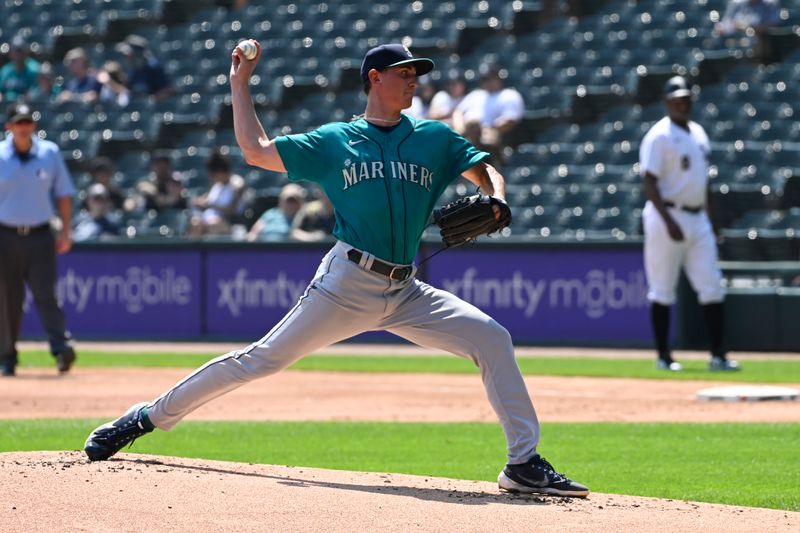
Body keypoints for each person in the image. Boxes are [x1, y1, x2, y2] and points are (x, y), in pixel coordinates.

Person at [83, 42, 589, 499]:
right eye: (403, 72)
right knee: (259, 360)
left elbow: (483, 167)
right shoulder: (335, 140)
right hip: (346, 283)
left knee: (492, 338)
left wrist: (496, 195)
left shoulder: (433, 138)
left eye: (416, 73)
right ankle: (143, 418)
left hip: (408, 289)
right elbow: (255, 152)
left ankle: (522, 463)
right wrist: (240, 85)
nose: (413, 80)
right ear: (374, 78)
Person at [639, 76, 740, 373]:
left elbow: (703, 182)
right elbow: (649, 182)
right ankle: (663, 357)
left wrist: (712, 219)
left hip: (698, 218)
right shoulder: (659, 135)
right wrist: (668, 221)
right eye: (677, 99)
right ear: (667, 102)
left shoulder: (698, 132)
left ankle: (718, 355)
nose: (682, 104)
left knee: (711, 286)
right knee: (662, 288)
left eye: (686, 99)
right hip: (666, 215)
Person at [0, 103, 77, 377]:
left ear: (33, 125)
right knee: (7, 299)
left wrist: (66, 230)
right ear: (9, 126)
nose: (23, 127)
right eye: (18, 122)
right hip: (5, 235)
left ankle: (61, 349)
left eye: (27, 122)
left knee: (46, 294)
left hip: (40, 235)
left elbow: (64, 194)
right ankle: (7, 357)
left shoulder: (49, 152)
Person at [452, 64, 524, 165]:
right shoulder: (475, 94)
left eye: (491, 78)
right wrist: (460, 129)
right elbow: (458, 112)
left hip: (494, 134)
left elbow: (511, 120)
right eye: (484, 79)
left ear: (499, 78)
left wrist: (487, 129)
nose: (488, 82)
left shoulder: (509, 95)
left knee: (487, 137)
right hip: (469, 134)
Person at [187, 150, 247, 237]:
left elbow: (231, 210)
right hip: (209, 220)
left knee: (213, 224)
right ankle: (192, 250)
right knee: (195, 223)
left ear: (221, 171)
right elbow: (206, 200)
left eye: (213, 174)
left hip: (231, 223)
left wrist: (209, 205)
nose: (211, 177)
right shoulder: (216, 186)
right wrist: (198, 202)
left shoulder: (237, 183)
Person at [715, 0, 781, 63]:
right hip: (734, 40)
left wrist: (749, 27)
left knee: (755, 42)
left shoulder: (769, 4)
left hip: (759, 42)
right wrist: (737, 26)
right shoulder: (736, 3)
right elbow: (723, 26)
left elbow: (773, 25)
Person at [115, 34, 174, 100]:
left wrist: (151, 100)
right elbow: (128, 91)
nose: (127, 59)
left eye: (130, 56)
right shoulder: (133, 71)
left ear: (138, 54)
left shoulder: (154, 68)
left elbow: (169, 90)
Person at [0, 36, 40, 103]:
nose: (17, 54)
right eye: (15, 51)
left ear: (26, 52)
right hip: (6, 107)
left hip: (26, 106)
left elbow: (37, 92)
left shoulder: (35, 70)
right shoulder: (5, 71)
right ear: (10, 53)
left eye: (20, 51)